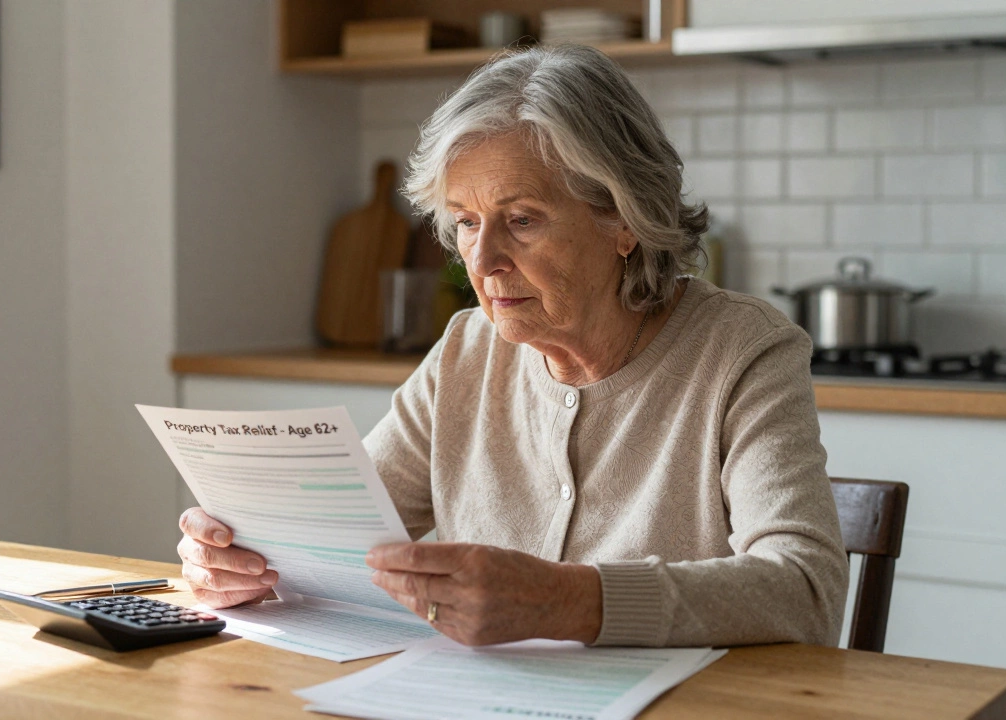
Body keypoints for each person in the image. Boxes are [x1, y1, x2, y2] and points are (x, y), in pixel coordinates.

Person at [176, 44, 849, 649]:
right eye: (467, 222)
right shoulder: (468, 350)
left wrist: (567, 603)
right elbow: (337, 539)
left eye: (521, 220)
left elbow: (805, 592)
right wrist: (241, 560)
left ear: (625, 219)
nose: (484, 259)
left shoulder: (742, 352)